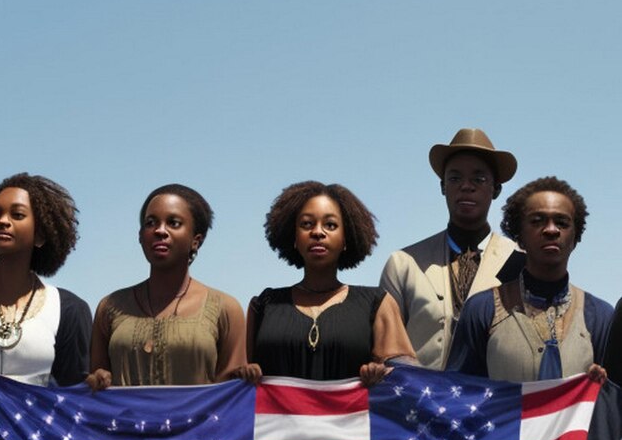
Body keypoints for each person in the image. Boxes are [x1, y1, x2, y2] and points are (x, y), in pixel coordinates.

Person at [236, 181, 416, 386]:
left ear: (346, 238)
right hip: (275, 418)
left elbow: (407, 379)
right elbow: (234, 381)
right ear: (293, 237)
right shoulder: (264, 306)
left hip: (355, 417)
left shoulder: (377, 303)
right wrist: (246, 375)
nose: (318, 232)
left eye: (330, 225)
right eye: (306, 224)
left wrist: (383, 373)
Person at [380, 128, 524, 370]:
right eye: (455, 178)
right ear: (442, 187)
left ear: (496, 189)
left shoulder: (519, 262)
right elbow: (385, 349)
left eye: (478, 179)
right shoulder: (404, 264)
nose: (466, 186)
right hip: (421, 404)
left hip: (494, 405)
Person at [446, 176, 612, 382]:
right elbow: (457, 393)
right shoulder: (483, 310)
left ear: (575, 237)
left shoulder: (600, 316)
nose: (551, 230)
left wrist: (602, 388)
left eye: (561, 222)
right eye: (537, 221)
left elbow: (614, 401)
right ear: (519, 235)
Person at [87, 184, 246, 388]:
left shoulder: (225, 309)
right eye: (150, 223)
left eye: (174, 223)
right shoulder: (110, 307)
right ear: (140, 236)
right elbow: (95, 385)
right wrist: (98, 378)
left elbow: (230, 394)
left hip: (198, 421)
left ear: (195, 240)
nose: (160, 231)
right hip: (127, 420)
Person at [0, 173, 92, 386]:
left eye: (17, 215)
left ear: (40, 235)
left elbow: (74, 398)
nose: (2, 221)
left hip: (34, 420)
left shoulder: (68, 310)